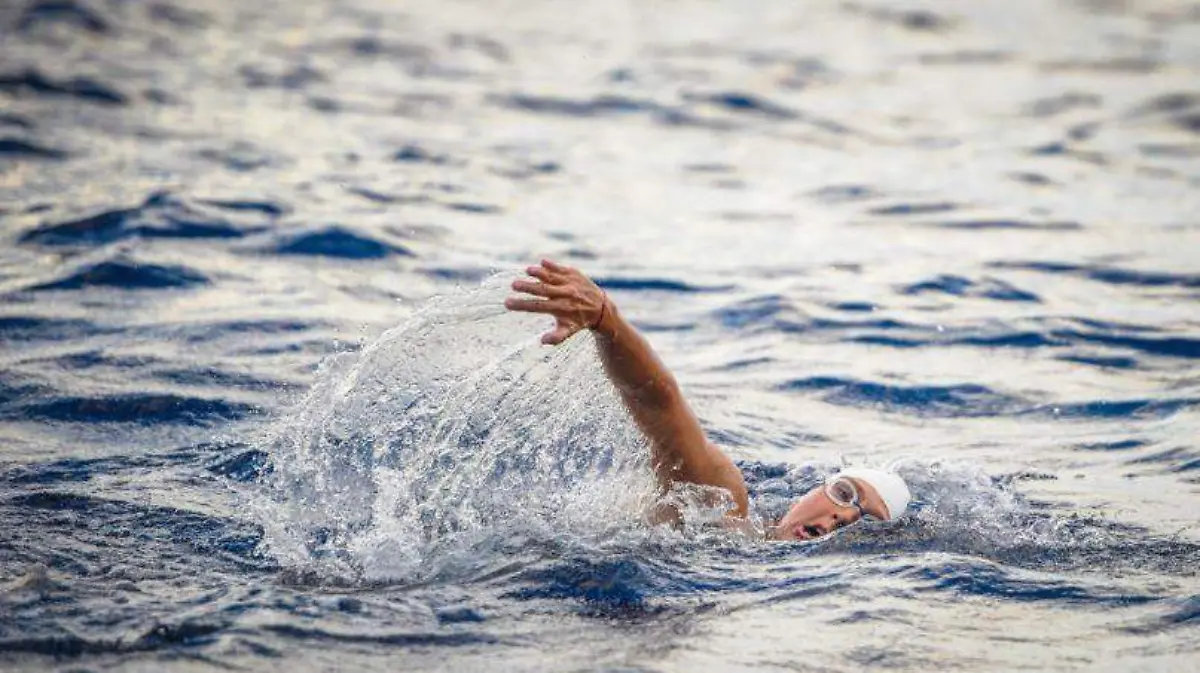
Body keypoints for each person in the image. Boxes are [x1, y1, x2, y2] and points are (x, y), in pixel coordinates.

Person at [505, 259, 911, 541]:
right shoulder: (723, 505)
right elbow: (660, 405)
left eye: (865, 523)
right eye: (843, 494)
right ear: (809, 491)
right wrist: (606, 320)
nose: (842, 516)